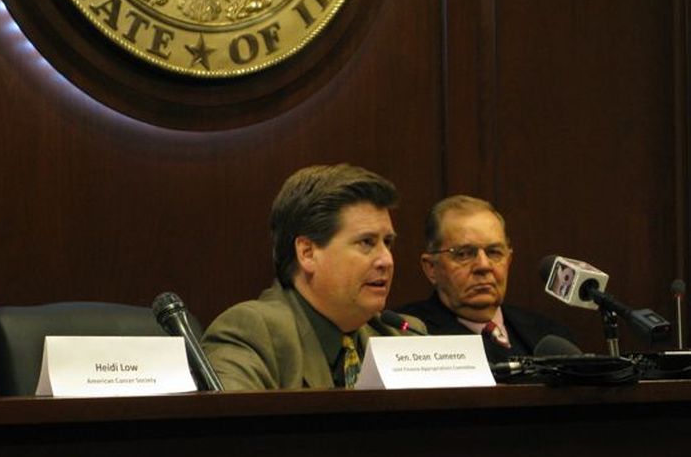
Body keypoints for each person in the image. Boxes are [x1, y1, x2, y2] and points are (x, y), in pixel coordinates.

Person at [201, 163, 426, 390]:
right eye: (366, 242)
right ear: (307, 253)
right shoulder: (251, 333)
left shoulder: (401, 337)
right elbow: (236, 423)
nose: (386, 260)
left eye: (387, 243)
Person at [397, 195, 576, 363]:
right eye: (464, 254)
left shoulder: (550, 336)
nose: (483, 266)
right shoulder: (407, 336)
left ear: (509, 260)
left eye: (494, 252)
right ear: (431, 268)